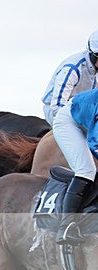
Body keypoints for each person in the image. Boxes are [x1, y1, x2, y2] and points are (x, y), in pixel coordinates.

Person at [51, 88, 98, 244]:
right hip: (68, 122)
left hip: (85, 121)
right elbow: (95, 141)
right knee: (87, 169)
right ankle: (66, 226)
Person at [42, 31, 98, 126]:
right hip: (57, 110)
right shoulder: (72, 68)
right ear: (91, 53)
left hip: (82, 110)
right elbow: (57, 106)